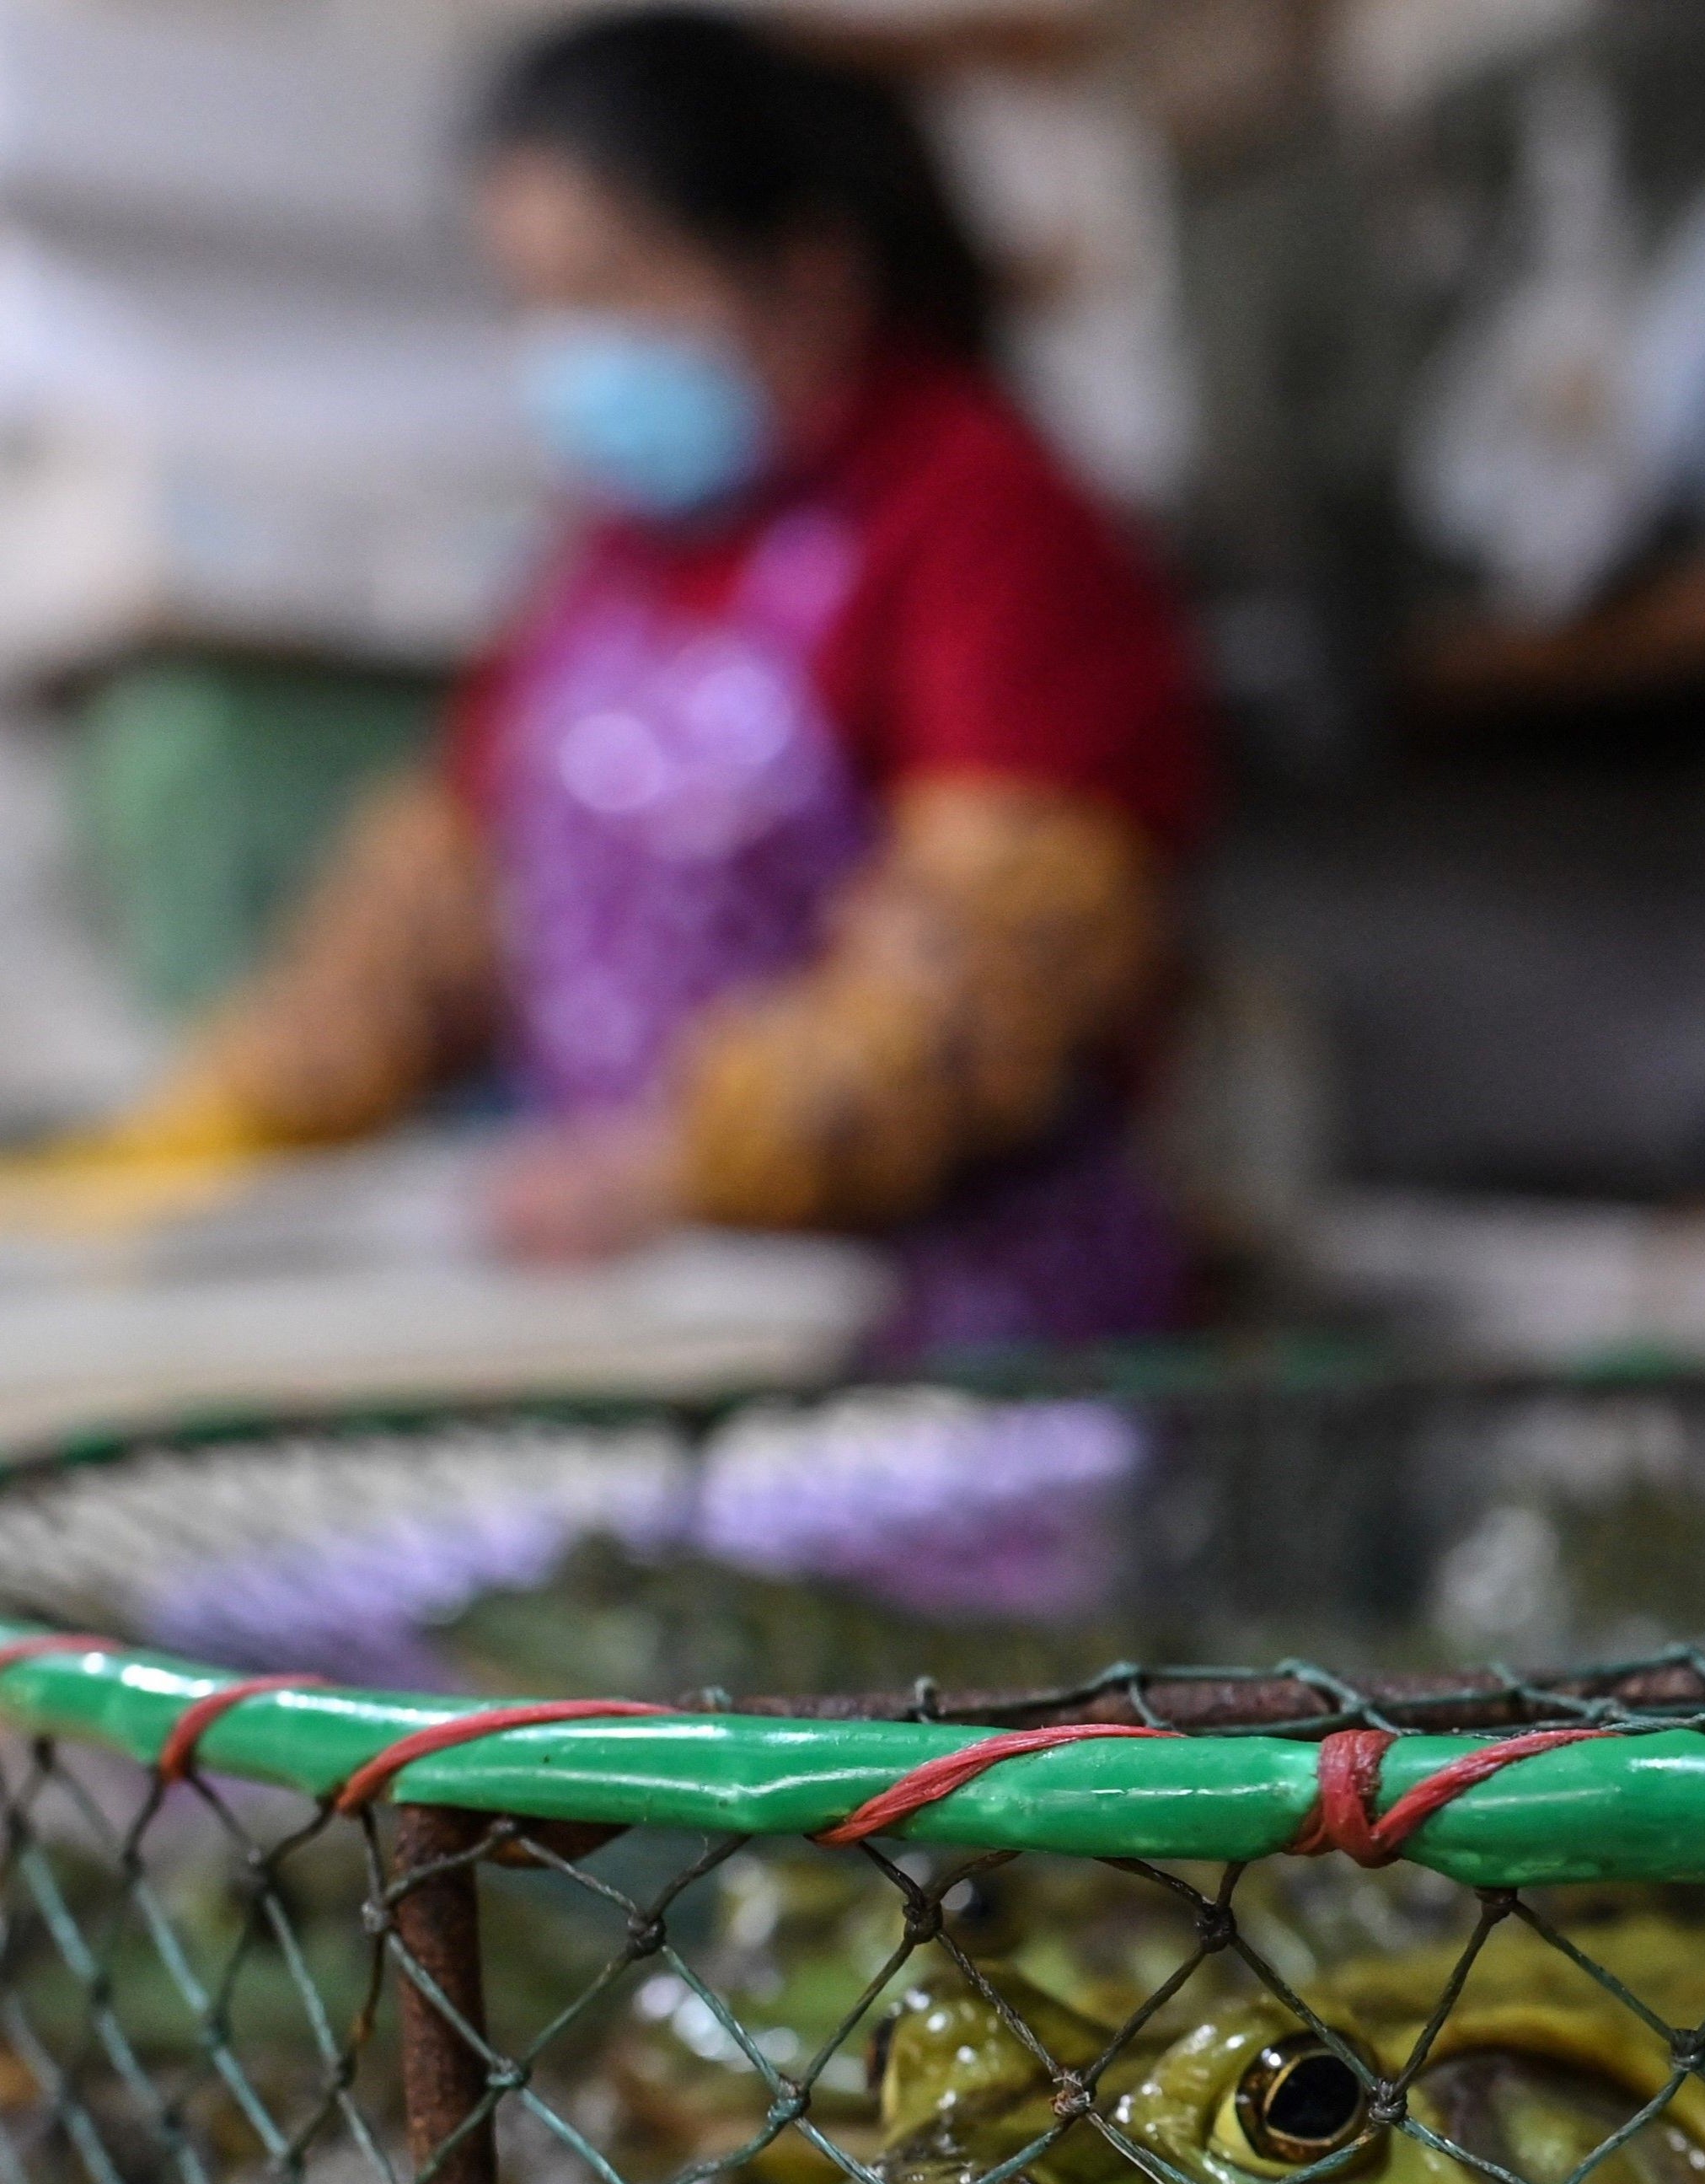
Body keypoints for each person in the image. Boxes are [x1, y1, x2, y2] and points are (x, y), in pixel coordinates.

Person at [36, 7, 1212, 1362]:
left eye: (610, 290)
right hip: (658, 1302)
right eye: (532, 301)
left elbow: (999, 959)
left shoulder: (983, 521)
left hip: (950, 1341)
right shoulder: (611, 561)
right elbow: (429, 908)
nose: (565, 354)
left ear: (810, 274)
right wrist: (220, 1120)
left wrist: (677, 1166)